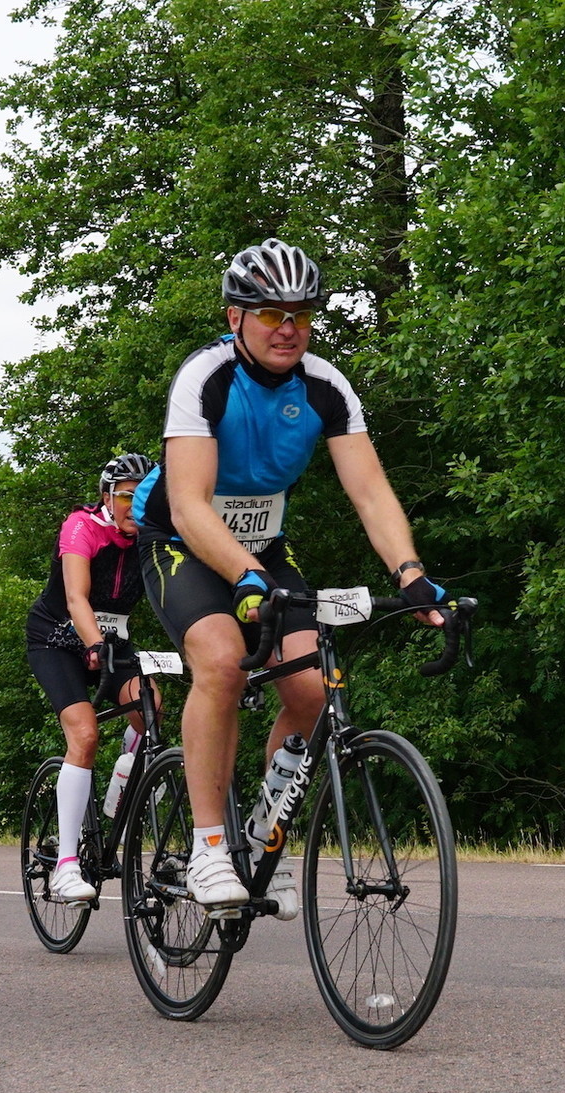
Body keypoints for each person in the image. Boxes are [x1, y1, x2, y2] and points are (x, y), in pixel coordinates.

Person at [134, 238, 446, 917]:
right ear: (235, 317)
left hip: (264, 546)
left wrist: (410, 573)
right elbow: (189, 505)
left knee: (310, 689)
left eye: (302, 315)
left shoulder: (327, 387)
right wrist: (244, 574)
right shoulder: (206, 377)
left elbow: (370, 491)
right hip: (182, 541)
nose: (288, 328)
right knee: (222, 663)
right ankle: (208, 847)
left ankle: (260, 836)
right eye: (272, 313)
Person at [24, 452, 155, 903]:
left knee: (153, 711)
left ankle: (122, 782)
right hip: (57, 640)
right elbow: (76, 598)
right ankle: (65, 865)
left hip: (112, 643)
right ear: (107, 497)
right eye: (127, 496)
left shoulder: (153, 536)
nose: (135, 505)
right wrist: (93, 641)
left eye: (145, 496)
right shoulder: (82, 526)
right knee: (84, 734)